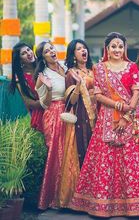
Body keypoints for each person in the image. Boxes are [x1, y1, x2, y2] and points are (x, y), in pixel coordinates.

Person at [69, 32, 139, 217]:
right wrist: (117, 105)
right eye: (113, 46)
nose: (117, 49)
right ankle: (104, 205)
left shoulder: (132, 67)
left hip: (131, 120)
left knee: (133, 161)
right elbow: (97, 95)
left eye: (120, 46)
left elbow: (136, 92)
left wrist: (127, 114)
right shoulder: (99, 68)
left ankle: (136, 205)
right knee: (106, 161)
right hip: (106, 118)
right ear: (107, 48)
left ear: (124, 48)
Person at [35, 41, 79, 209]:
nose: (52, 51)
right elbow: (44, 104)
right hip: (53, 114)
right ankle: (55, 199)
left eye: (52, 47)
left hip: (68, 112)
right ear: (43, 57)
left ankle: (71, 196)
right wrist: (48, 88)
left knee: (69, 152)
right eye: (47, 51)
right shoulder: (42, 75)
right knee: (57, 154)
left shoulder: (64, 67)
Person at [65, 39, 96, 167]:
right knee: (86, 150)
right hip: (83, 117)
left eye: (84, 48)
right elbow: (71, 102)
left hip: (99, 114)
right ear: (73, 55)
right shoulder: (71, 74)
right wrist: (78, 85)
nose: (83, 50)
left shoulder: (93, 70)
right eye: (79, 49)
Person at [10, 42, 44, 132]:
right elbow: (29, 103)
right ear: (19, 60)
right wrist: (49, 102)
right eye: (23, 53)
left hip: (58, 108)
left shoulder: (43, 66)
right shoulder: (21, 79)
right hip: (40, 114)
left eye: (28, 50)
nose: (28, 54)